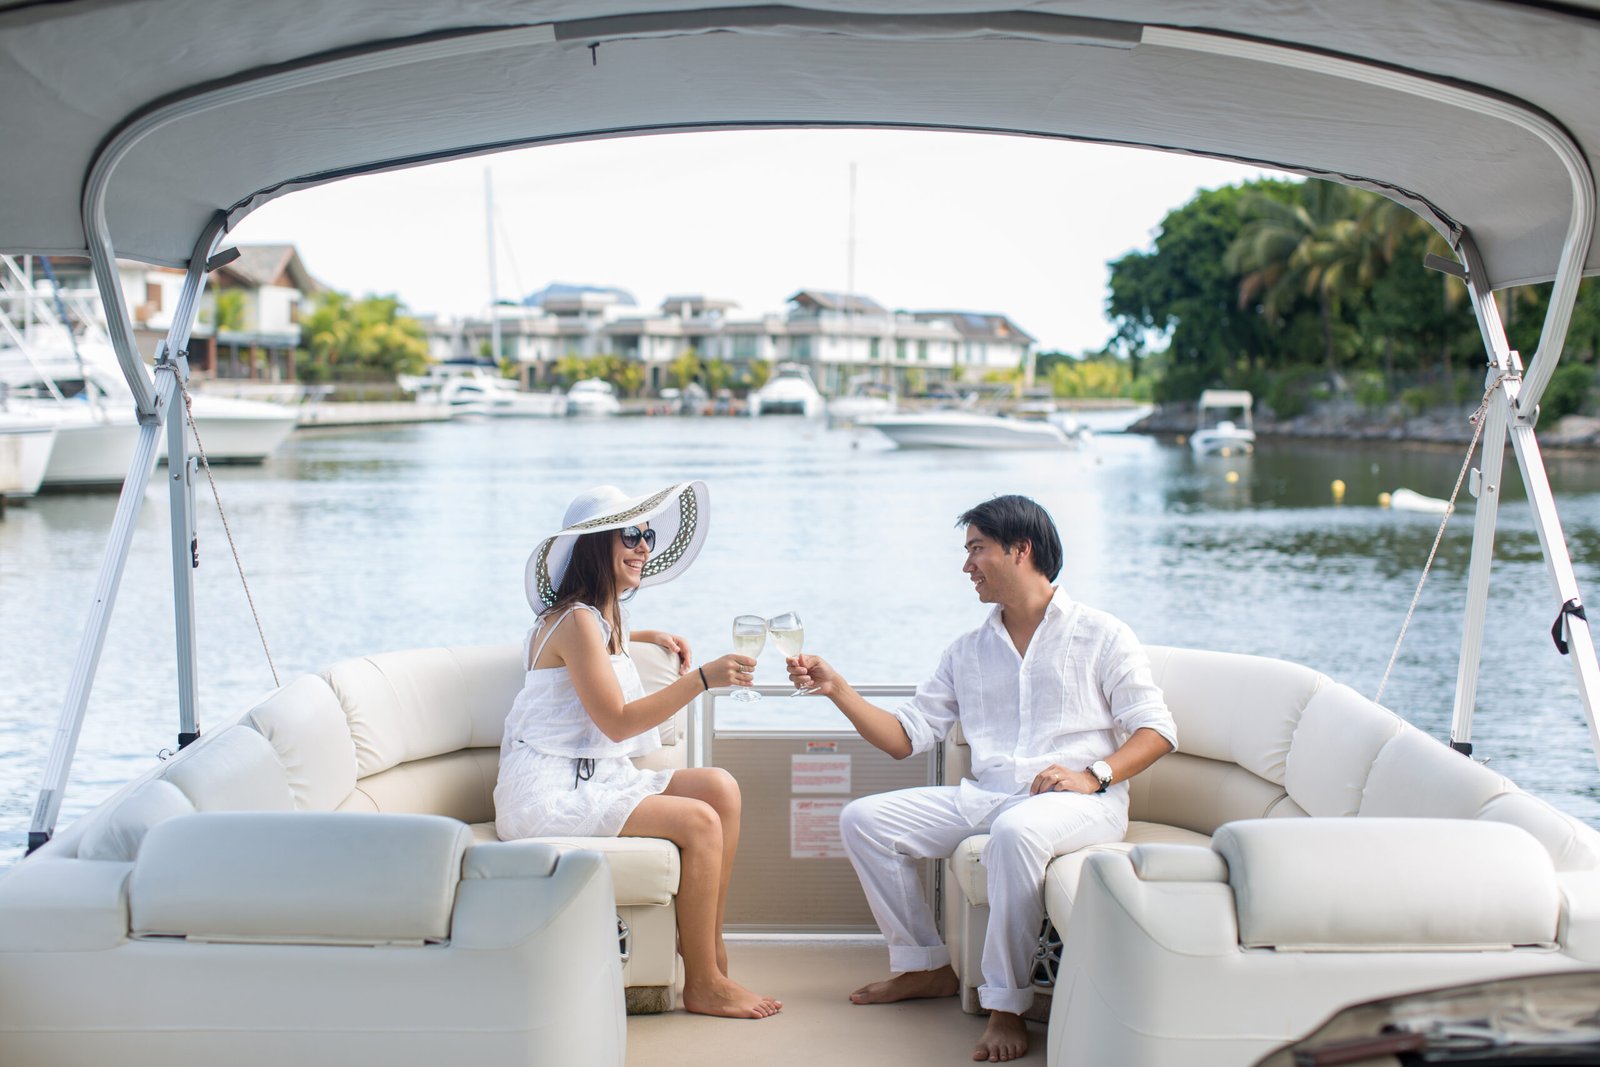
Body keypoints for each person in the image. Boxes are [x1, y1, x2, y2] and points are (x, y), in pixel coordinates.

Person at [786, 494, 1176, 1061]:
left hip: (1078, 803)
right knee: (864, 820)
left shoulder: (1102, 634)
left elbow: (1157, 730)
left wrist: (1093, 775)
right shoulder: (966, 651)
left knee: (1016, 832)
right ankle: (925, 966)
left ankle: (1006, 1007)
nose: (966, 565)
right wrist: (838, 690)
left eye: (976, 549)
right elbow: (904, 738)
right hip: (987, 796)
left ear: (1022, 550)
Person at [495, 480, 782, 1020]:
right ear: (594, 545)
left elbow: (596, 655)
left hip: (590, 776)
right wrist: (703, 677)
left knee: (720, 787)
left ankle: (709, 952)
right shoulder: (578, 620)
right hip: (548, 791)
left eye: (647, 534)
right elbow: (619, 722)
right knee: (699, 822)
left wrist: (645, 635)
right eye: (630, 533)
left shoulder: (595, 617)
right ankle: (702, 982)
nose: (644, 545)